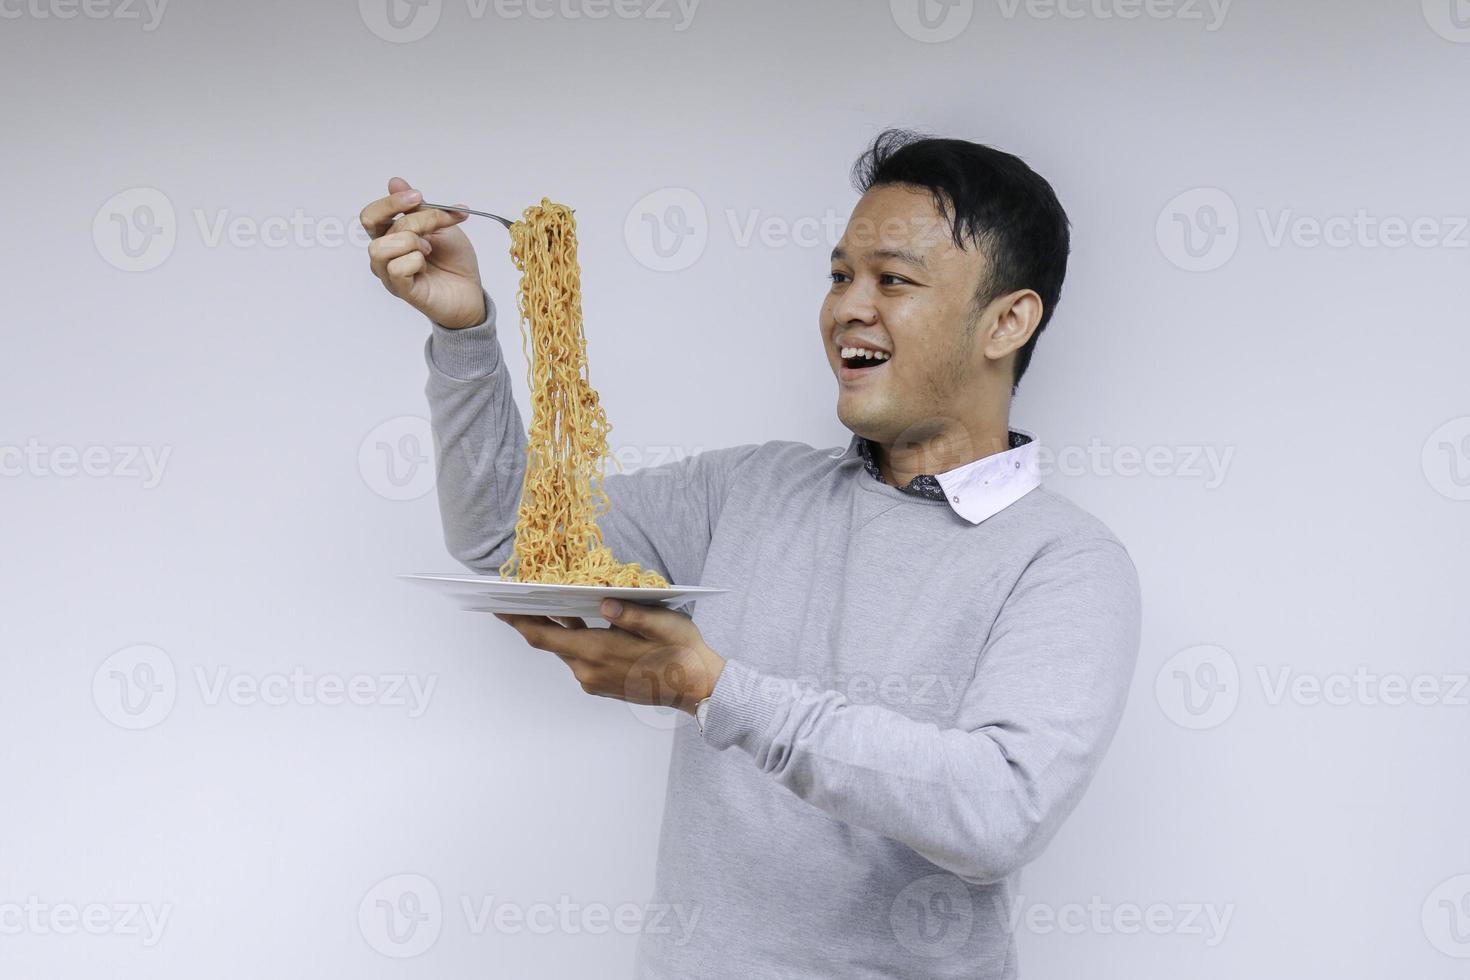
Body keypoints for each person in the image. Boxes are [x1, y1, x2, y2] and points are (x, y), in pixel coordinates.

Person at [358, 129, 1142, 979]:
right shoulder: (750, 490)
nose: (848, 307)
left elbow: (999, 813)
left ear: (1008, 321)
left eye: (894, 279)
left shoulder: (1064, 563)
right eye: (840, 274)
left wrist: (715, 689)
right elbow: (508, 536)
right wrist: (468, 335)